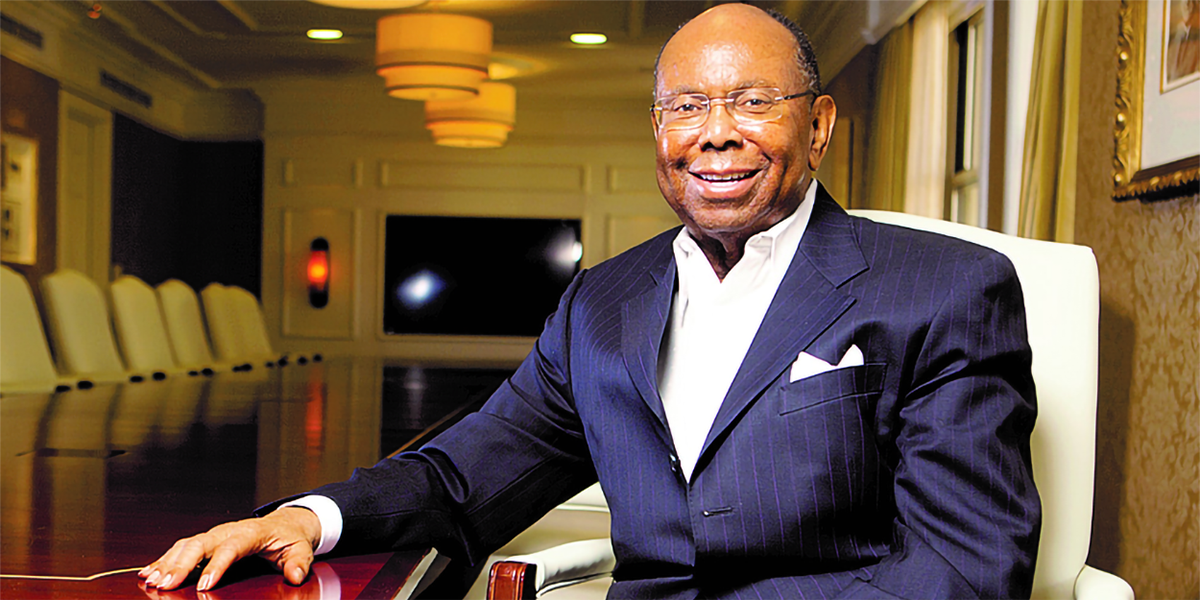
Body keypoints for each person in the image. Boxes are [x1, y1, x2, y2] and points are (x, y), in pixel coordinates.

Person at [141, 5, 1040, 599]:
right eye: (686, 105)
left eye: (754, 101)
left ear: (820, 125)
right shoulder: (600, 305)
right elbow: (464, 477)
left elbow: (965, 570)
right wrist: (304, 517)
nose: (715, 131)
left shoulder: (945, 289)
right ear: (658, 131)